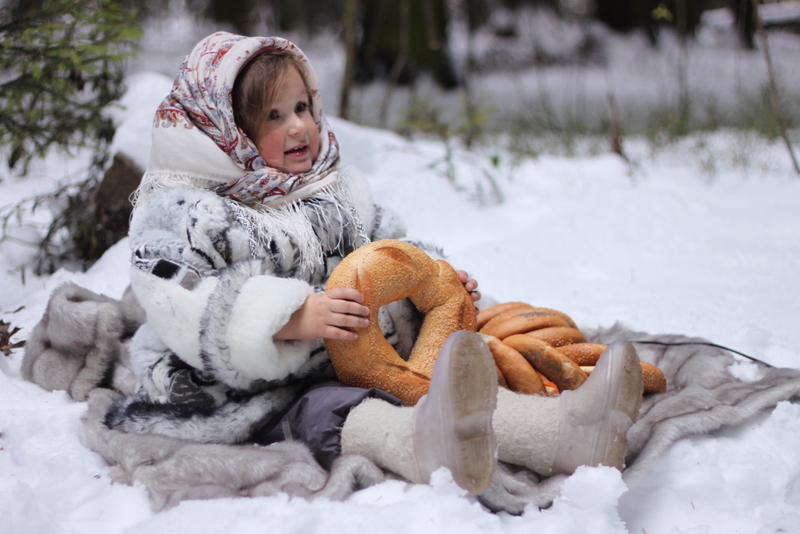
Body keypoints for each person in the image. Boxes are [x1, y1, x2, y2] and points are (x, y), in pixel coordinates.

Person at [106, 31, 643, 497]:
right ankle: (422, 444)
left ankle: (565, 431)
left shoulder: (328, 183)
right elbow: (181, 295)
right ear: (225, 127)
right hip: (242, 388)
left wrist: (433, 272)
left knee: (457, 373)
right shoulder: (185, 210)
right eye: (273, 116)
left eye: (302, 108)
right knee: (337, 412)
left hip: (351, 349)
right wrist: (290, 318)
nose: (299, 128)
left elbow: (384, 240)